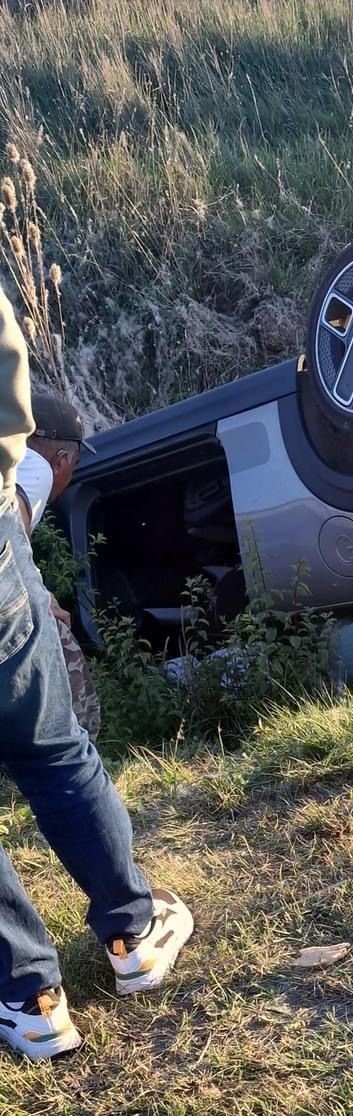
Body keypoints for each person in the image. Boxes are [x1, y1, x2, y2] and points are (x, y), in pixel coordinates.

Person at [0, 287, 193, 1062]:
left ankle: (31, 998)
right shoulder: (36, 468)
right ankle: (133, 934)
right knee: (54, 750)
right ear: (67, 460)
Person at [15, 392, 102, 740]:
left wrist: (38, 587)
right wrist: (36, 597)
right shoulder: (35, 467)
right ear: (61, 460)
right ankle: (75, 753)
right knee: (63, 652)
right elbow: (8, 522)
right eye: (75, 465)